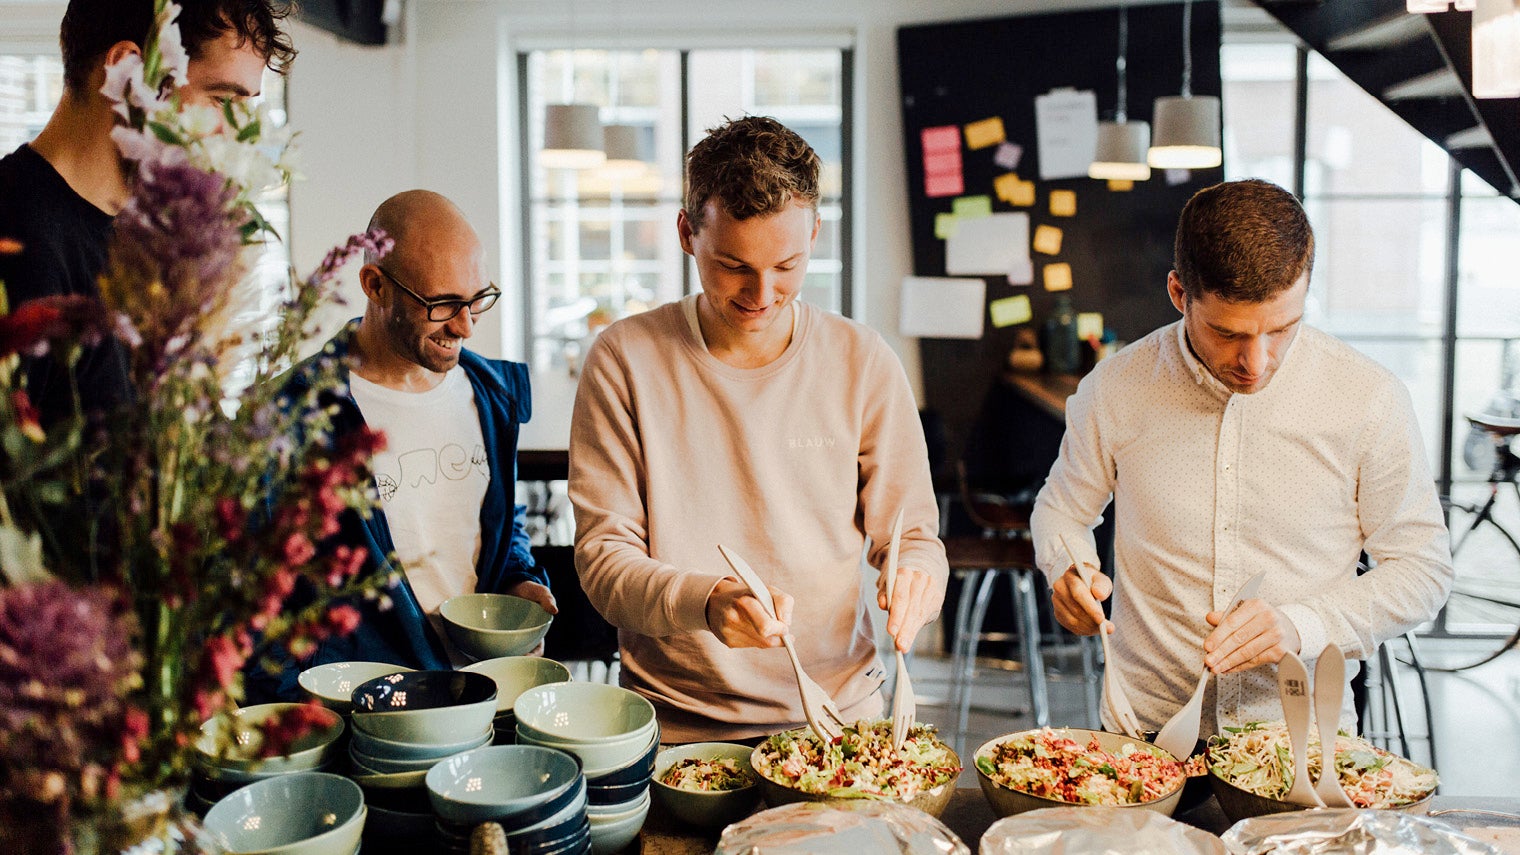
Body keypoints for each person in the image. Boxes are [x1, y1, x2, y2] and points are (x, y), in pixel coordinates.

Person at [569, 116, 948, 743]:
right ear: (688, 233)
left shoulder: (863, 361)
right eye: (732, 265)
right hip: (675, 727)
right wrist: (707, 602)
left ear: (816, 236)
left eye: (787, 265)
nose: (762, 293)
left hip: (837, 719)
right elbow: (604, 563)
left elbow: (914, 538)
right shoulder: (624, 359)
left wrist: (918, 582)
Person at [1030, 178, 1453, 736]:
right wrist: (1069, 569)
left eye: (1282, 329)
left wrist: (1302, 625)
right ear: (1180, 294)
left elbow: (1422, 570)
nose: (1257, 361)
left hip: (1300, 742)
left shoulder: (1368, 398)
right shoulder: (1115, 387)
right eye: (1228, 333)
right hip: (1143, 733)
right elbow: (1061, 510)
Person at [250, 190, 554, 698]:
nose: (466, 325)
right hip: (363, 720)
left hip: (484, 700)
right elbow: (257, 604)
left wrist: (519, 581)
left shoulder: (491, 394)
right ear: (375, 285)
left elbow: (501, 524)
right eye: (442, 304)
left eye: (476, 299)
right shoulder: (289, 416)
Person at [0, 0, 295, 424]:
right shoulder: (16, 239)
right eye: (222, 100)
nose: (235, 136)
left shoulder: (151, 241)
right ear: (127, 74)